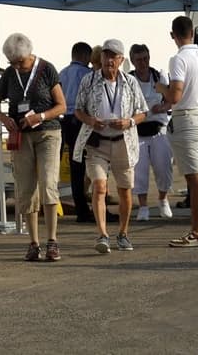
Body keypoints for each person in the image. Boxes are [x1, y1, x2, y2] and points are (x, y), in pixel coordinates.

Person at [0, 32, 67, 261]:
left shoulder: (47, 69)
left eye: (20, 62)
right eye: (12, 62)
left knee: (49, 184)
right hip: (21, 136)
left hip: (47, 133)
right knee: (25, 188)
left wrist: (40, 116)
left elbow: (61, 106)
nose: (17, 66)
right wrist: (5, 119)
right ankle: (33, 242)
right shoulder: (10, 74)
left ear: (29, 55)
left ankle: (52, 241)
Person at [73, 39, 147, 253]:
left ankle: (123, 233)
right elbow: (78, 109)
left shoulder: (130, 82)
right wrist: (90, 120)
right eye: (106, 55)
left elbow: (143, 112)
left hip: (123, 142)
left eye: (113, 56)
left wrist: (129, 122)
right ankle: (102, 234)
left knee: (125, 191)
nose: (109, 60)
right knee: (99, 187)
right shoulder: (89, 80)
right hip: (97, 143)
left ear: (121, 59)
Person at [157, 15, 198, 248]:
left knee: (195, 180)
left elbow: (174, 96)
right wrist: (194, 97)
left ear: (173, 35)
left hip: (186, 120)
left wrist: (160, 87)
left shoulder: (178, 59)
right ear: (193, 32)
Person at [129, 43, 174, 221]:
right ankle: (143, 206)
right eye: (139, 59)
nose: (143, 63)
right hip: (138, 131)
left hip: (159, 129)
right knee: (139, 171)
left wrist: (162, 107)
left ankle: (163, 200)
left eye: (145, 58)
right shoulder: (128, 79)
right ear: (132, 61)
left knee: (163, 167)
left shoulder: (159, 76)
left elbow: (172, 99)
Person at [58, 41, 97, 223]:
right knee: (94, 162)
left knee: (76, 167)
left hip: (65, 122)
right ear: (85, 56)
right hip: (83, 121)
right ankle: (91, 208)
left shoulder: (61, 74)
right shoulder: (89, 74)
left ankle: (81, 208)